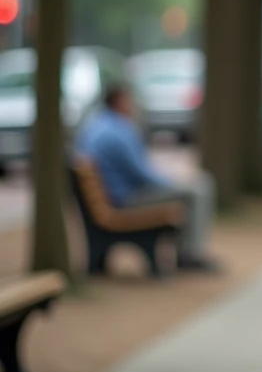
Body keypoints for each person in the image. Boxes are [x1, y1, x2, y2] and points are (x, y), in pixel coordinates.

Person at [76, 83, 221, 272]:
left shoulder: (95, 125)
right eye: (129, 101)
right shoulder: (120, 132)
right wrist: (173, 182)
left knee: (193, 188)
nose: (133, 105)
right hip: (125, 199)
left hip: (111, 196)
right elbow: (142, 175)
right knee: (199, 188)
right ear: (119, 102)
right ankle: (190, 255)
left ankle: (187, 252)